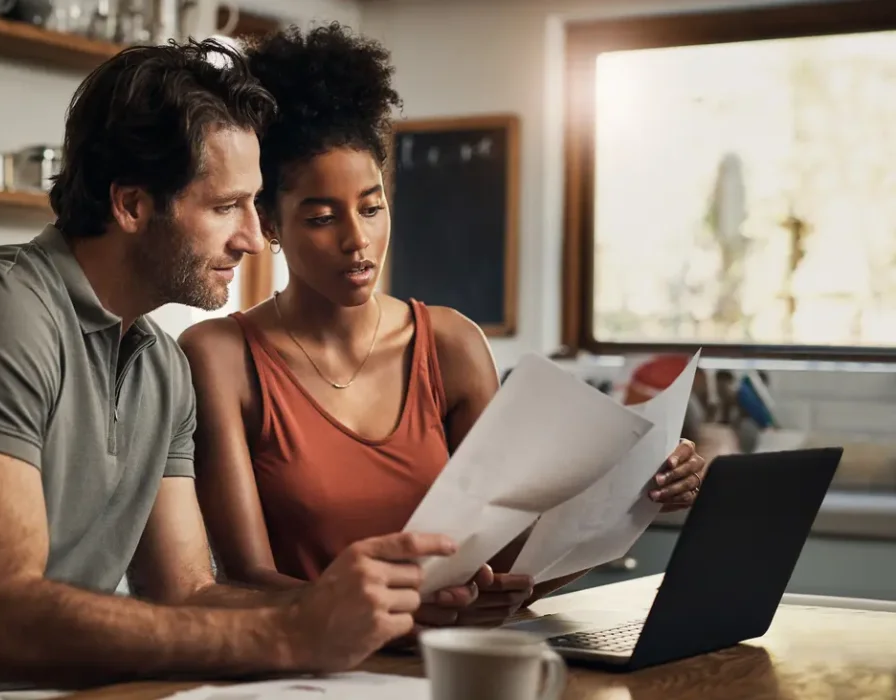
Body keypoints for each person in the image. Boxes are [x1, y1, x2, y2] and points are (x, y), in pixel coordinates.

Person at [0, 39, 473, 700]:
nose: (248, 235)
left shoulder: (161, 367)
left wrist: (367, 612)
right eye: (223, 206)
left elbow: (188, 593)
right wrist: (292, 635)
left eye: (252, 203)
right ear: (130, 204)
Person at [178, 24, 708, 630]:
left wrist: (639, 495)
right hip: (306, 673)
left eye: (372, 208)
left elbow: (510, 562)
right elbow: (246, 580)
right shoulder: (220, 356)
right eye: (322, 217)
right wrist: (402, 614)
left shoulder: (451, 345)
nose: (358, 240)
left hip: (449, 666)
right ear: (268, 222)